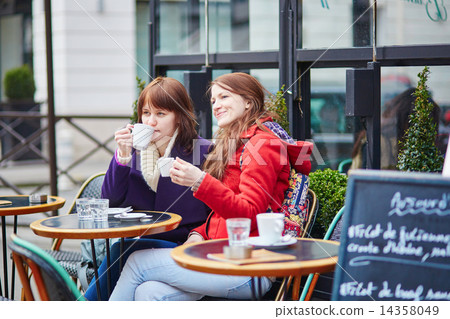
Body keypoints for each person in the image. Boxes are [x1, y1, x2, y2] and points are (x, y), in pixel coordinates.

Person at [109, 72, 313, 301]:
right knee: (149, 291)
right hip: (222, 252)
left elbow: (248, 213)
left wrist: (200, 181)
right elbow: (219, 214)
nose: (216, 105)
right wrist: (199, 234)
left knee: (137, 262)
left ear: (248, 101)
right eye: (214, 100)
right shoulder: (234, 144)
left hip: (252, 264)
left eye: (224, 97)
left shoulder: (263, 143)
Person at [84, 77, 211, 300]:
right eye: (146, 113)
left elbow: (213, 210)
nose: (151, 122)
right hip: (143, 241)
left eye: (160, 114)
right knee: (128, 250)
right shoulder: (135, 153)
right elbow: (110, 201)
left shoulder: (203, 152)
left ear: (179, 117)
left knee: (124, 251)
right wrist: (122, 156)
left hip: (185, 242)